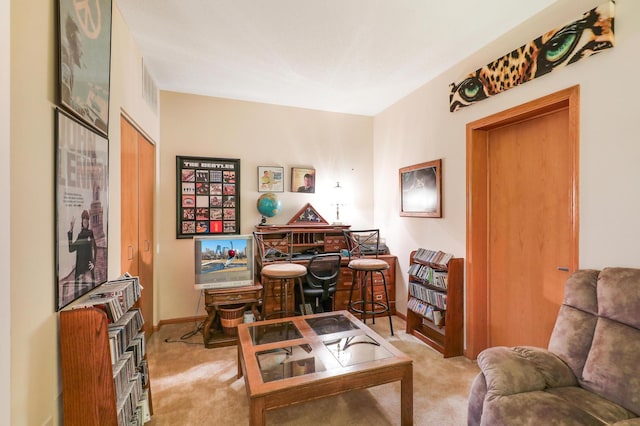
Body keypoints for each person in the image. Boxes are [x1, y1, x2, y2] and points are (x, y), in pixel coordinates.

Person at [68, 209, 97, 284]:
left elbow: (95, 248)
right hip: (79, 269)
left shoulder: (90, 233)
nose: (86, 222)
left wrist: (93, 262)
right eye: (84, 220)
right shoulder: (80, 235)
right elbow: (71, 249)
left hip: (88, 268)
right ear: (82, 222)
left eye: (87, 220)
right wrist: (71, 230)